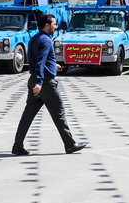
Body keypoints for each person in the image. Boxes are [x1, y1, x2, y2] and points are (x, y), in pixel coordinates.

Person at [12, 14, 86, 155]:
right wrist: (40, 82)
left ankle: (17, 146)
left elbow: (36, 60)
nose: (56, 26)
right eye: (54, 24)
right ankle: (70, 145)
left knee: (27, 115)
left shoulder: (34, 39)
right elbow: (40, 62)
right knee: (59, 113)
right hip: (44, 83)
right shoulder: (46, 41)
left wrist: (53, 65)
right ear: (47, 25)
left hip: (34, 80)